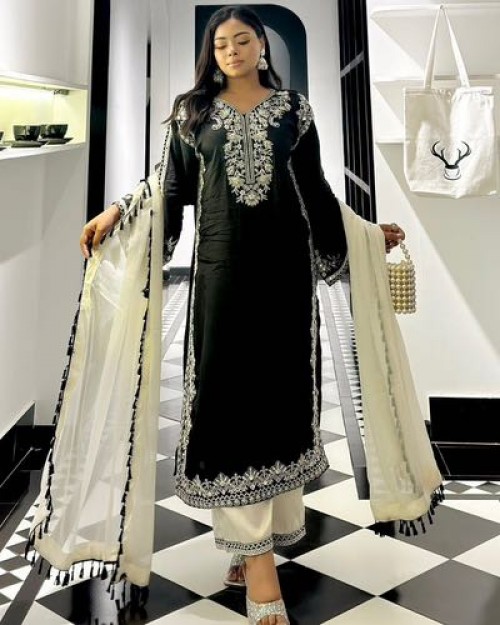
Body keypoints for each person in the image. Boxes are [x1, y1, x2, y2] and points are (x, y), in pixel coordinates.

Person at [79, 6, 405, 625]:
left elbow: (316, 191)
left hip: (285, 281)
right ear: (212, 53)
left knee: (278, 401)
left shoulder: (295, 111)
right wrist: (118, 211)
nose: (232, 51)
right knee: (228, 404)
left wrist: (365, 235)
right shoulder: (191, 112)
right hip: (222, 279)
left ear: (262, 46)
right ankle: (259, 567)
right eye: (222, 43)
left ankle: (250, 542)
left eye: (243, 40)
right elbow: (167, 189)